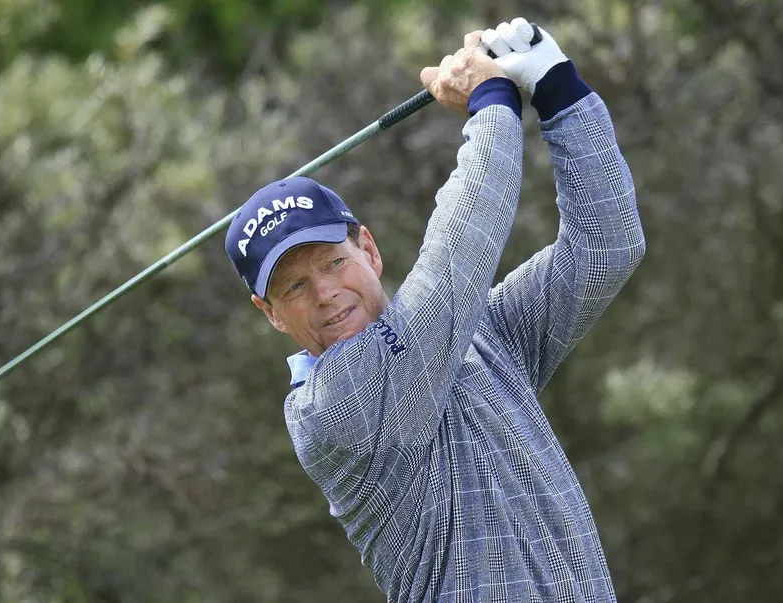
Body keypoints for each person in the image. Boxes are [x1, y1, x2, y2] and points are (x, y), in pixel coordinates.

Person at [225, 17, 645, 603]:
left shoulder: (480, 336)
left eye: (332, 262)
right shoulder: (329, 412)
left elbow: (606, 247)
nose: (323, 293)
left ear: (369, 250)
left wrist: (557, 88)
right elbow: (458, 254)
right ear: (270, 313)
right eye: (293, 287)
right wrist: (491, 102)